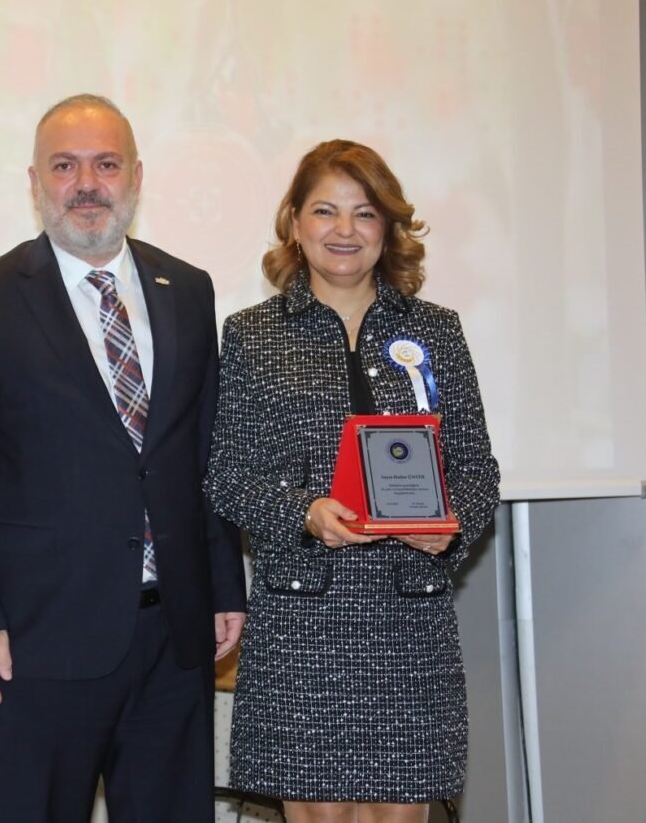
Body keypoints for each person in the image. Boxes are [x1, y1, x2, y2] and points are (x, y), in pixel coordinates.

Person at [0, 94, 247, 823]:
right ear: (34, 181)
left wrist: (225, 586)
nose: (87, 184)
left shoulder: (187, 290)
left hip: (174, 637)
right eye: (64, 166)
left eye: (106, 164)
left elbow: (204, 450)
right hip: (36, 642)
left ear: (136, 175)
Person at [204, 139, 501, 823]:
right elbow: (227, 476)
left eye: (364, 213)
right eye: (325, 210)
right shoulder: (251, 335)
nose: (344, 230)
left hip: (409, 613)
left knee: (400, 814)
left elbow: (476, 468)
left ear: (388, 228)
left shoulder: (436, 332)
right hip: (303, 616)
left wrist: (451, 525)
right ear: (295, 223)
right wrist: (303, 510)